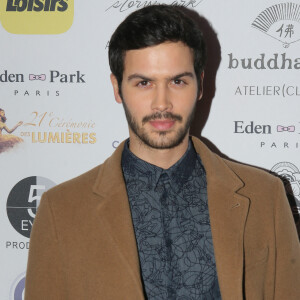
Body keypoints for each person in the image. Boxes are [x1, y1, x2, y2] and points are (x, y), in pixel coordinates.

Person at [25, 5, 300, 300]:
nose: (162, 103)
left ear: (200, 85)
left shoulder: (265, 197)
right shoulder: (62, 211)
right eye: (144, 83)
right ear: (117, 88)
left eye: (177, 81)